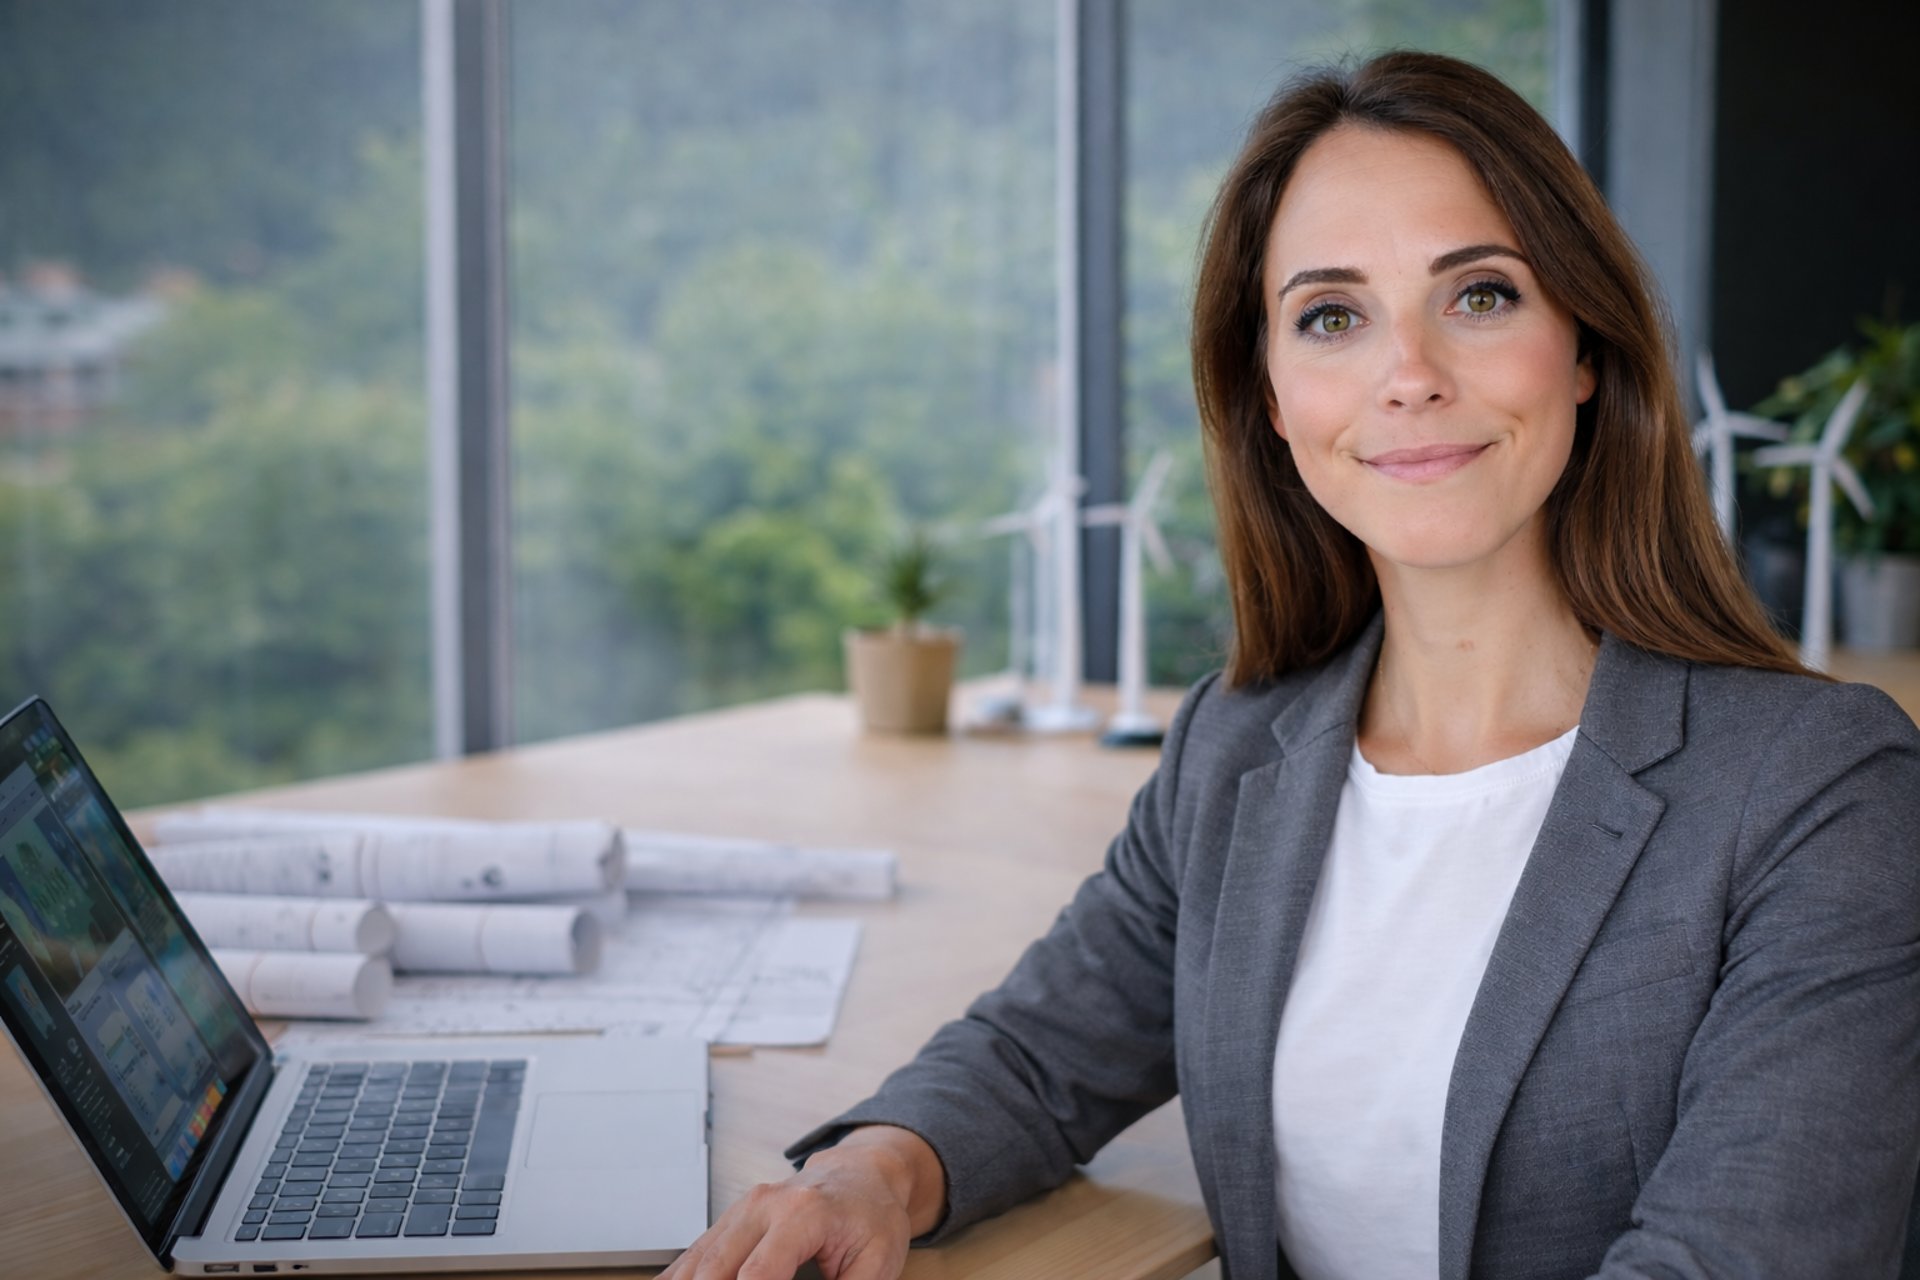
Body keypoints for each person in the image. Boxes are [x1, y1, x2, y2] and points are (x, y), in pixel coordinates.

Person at [662, 51, 1920, 1280]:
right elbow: (1041, 1053)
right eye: (1332, 316)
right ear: (1270, 395)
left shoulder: (1821, 791)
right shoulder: (1240, 743)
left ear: (1583, 345)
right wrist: (866, 1174)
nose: (1411, 376)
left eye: (1479, 294)